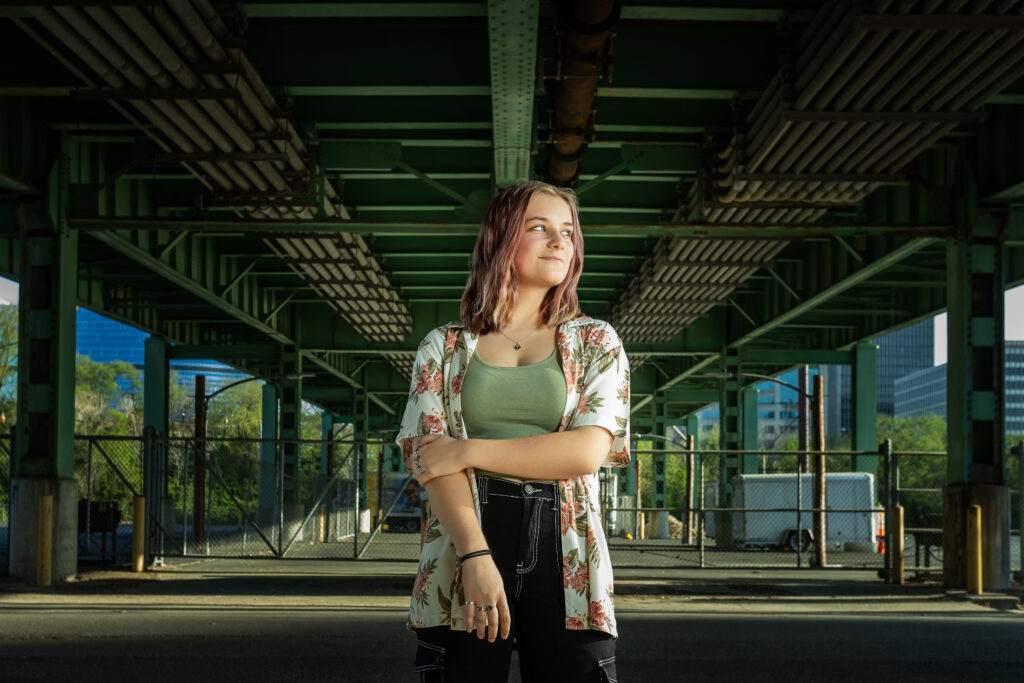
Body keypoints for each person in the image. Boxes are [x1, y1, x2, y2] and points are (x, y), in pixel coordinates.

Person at [395, 180, 631, 682]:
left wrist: (467, 450)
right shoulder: (443, 346)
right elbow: (432, 463)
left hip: (567, 548)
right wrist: (477, 554)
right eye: (539, 227)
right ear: (501, 238)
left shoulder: (596, 341)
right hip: (465, 539)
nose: (559, 241)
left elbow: (587, 451)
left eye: (568, 231)